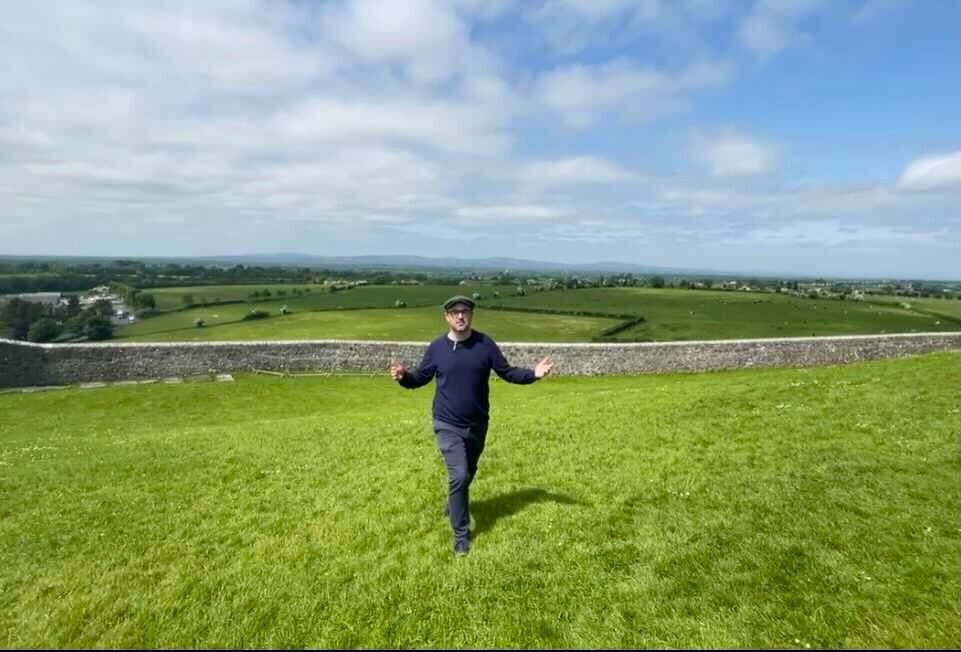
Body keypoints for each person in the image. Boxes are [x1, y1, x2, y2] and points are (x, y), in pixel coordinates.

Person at [389, 295, 554, 556]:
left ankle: (453, 504)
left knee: (469, 471)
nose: (460, 316)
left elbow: (507, 372)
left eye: (465, 311)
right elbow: (420, 377)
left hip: (477, 424)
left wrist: (532, 374)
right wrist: (403, 377)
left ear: (471, 315)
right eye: (454, 312)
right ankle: (461, 535)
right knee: (460, 474)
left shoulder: (484, 345)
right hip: (446, 423)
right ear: (447, 317)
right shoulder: (437, 348)